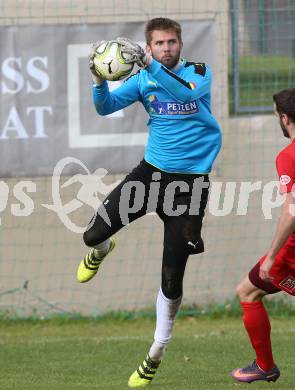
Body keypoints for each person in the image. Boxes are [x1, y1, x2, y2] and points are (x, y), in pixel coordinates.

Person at [77, 17, 222, 387]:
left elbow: (188, 94)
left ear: (180, 43)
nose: (166, 49)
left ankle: (157, 350)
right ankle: (102, 249)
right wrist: (97, 79)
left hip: (189, 187)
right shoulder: (142, 79)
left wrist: (151, 66)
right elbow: (105, 107)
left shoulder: (198, 72)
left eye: (172, 42)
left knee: (171, 278)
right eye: (159, 44)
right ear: (149, 45)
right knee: (92, 234)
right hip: (150, 176)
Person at [231, 88, 295, 384]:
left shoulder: (289, 156)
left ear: (284, 118)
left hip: (291, 253)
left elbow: (292, 212)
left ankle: (265, 365)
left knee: (247, 291)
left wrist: (271, 257)